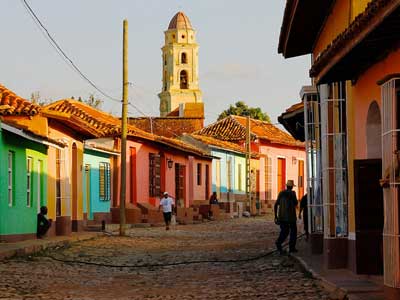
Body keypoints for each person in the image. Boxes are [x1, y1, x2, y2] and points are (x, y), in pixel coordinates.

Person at [274, 180, 298, 254]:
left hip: (282, 217)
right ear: (291, 187)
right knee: (293, 232)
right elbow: (296, 203)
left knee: (284, 232)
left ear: (286, 186)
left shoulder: (281, 193)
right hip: (291, 217)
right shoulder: (293, 193)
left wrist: (276, 216)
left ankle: (279, 243)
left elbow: (275, 205)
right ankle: (292, 248)